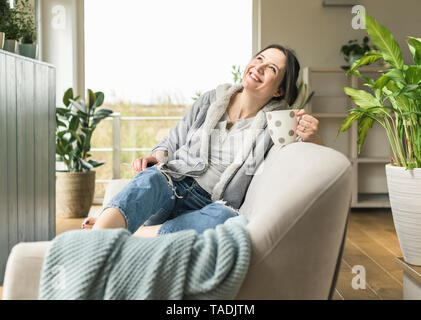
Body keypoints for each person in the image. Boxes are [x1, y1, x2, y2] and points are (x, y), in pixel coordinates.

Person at [81, 44, 323, 237]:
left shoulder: (276, 124)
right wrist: (157, 156)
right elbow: (174, 138)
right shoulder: (212, 100)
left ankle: (134, 232)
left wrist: (313, 137)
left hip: (210, 203)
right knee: (152, 178)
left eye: (271, 68)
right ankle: (101, 236)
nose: (259, 67)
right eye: (259, 58)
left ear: (279, 90)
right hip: (173, 182)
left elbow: (307, 163)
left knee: (223, 219)